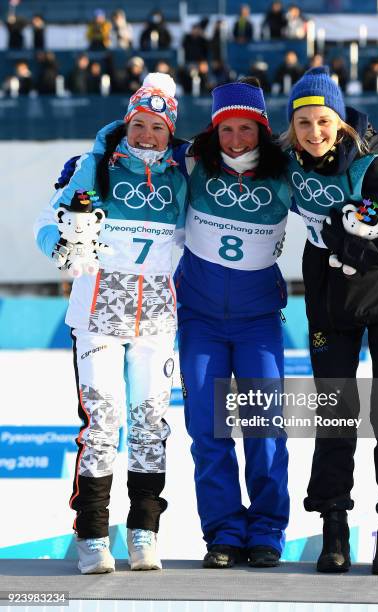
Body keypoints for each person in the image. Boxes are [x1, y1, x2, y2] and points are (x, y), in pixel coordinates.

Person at [34, 73, 187, 574]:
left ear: (170, 132)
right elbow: (47, 222)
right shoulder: (90, 166)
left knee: (150, 426)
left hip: (158, 321)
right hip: (98, 317)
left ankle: (144, 531)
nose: (146, 135)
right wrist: (56, 245)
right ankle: (93, 536)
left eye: (157, 128)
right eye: (138, 124)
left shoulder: (186, 174)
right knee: (102, 426)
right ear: (125, 124)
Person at [284, 67, 378, 574]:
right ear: (293, 127)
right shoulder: (289, 164)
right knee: (335, 420)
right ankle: (333, 527)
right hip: (330, 309)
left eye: (323, 121)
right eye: (303, 123)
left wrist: (349, 247)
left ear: (340, 122)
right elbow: (229, 154)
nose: (313, 132)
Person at [173, 78, 292, 568]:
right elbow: (140, 138)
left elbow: (336, 171)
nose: (237, 139)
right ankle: (222, 531)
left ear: (262, 130)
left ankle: (266, 529)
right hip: (199, 320)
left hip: (257, 322)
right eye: (228, 129)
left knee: (264, 429)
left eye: (247, 128)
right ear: (214, 129)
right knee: (208, 430)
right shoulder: (192, 165)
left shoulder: (285, 174)